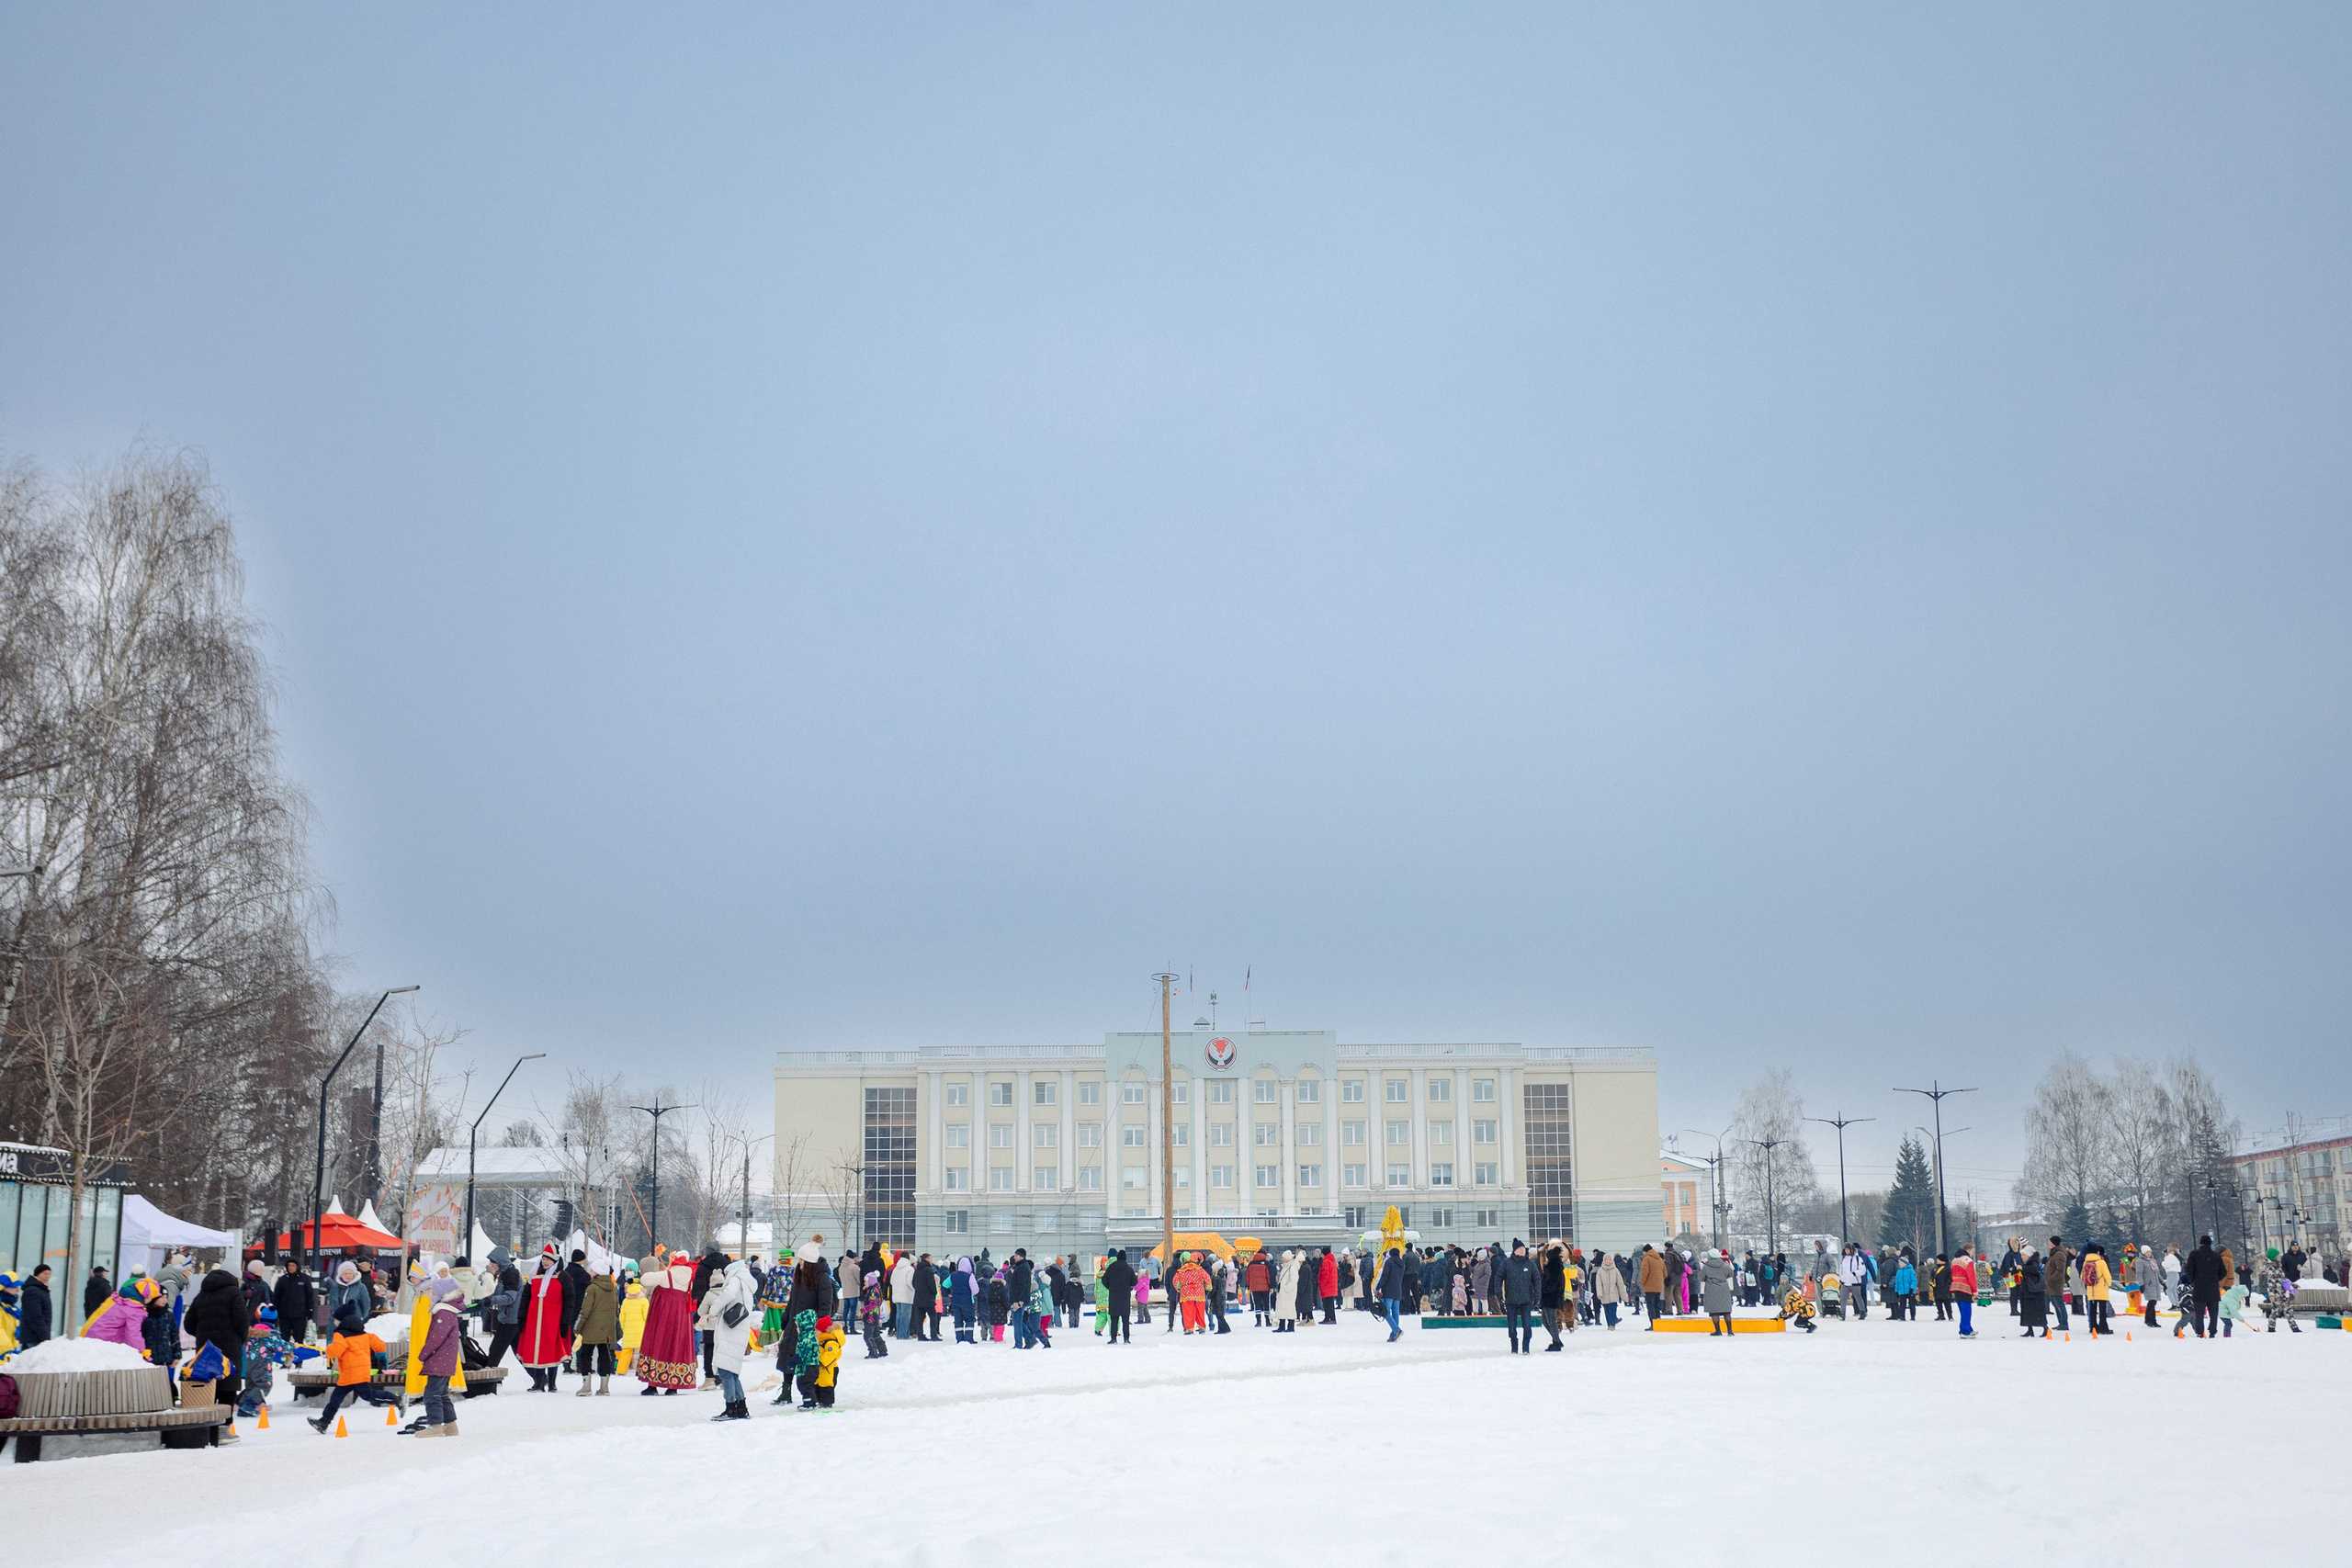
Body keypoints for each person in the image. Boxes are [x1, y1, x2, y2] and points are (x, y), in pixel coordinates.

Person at [184, 1269, 252, 1434]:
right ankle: (223, 1429)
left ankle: (207, 1429)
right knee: (227, 1387)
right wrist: (240, 1338)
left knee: (208, 1387)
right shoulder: (234, 1293)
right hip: (229, 1348)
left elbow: (188, 1324)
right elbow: (242, 1321)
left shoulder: (201, 1295)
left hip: (205, 1349)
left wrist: (202, 1336)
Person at [309, 1312, 400, 1432]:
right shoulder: (364, 1335)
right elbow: (380, 1344)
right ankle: (324, 1422)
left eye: (335, 1320)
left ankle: (395, 1399)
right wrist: (381, 1355)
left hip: (352, 1372)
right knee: (338, 1398)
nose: (334, 1322)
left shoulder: (340, 1335)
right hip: (358, 1371)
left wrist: (329, 1348)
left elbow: (336, 1350)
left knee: (361, 1396)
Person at [697, 1258, 756, 1420]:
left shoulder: (736, 1279)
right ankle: (741, 1408)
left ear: (731, 1271)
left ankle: (731, 1408)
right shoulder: (746, 1284)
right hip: (738, 1329)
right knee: (731, 1371)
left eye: (726, 1273)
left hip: (731, 1330)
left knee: (725, 1370)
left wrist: (713, 1311)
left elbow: (727, 1294)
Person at [636, 1258, 700, 1393]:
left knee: (658, 1342)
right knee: (677, 1344)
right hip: (681, 1314)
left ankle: (653, 1385)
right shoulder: (690, 1277)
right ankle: (673, 1385)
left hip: (663, 1314)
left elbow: (645, 1280)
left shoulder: (666, 1275)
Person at [411, 1288, 464, 1437]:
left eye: (433, 1293)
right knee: (441, 1393)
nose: (431, 1295)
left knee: (432, 1394)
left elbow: (435, 1339)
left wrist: (423, 1355)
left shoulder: (443, 1312)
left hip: (439, 1359)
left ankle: (435, 1426)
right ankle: (451, 1425)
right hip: (445, 1359)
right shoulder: (449, 1311)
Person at [517, 1253, 571, 1390]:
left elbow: (569, 1299)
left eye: (548, 1260)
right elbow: (526, 1296)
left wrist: (565, 1320)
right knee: (537, 1350)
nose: (545, 1262)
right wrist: (522, 1315)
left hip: (553, 1320)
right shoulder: (535, 1275)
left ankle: (552, 1383)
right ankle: (539, 1382)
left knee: (552, 1349)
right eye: (544, 1259)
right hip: (534, 1320)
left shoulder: (563, 1276)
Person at [571, 1265, 620, 1395]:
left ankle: (586, 1387)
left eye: (592, 1270)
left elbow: (585, 1310)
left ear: (598, 1272)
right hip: (607, 1328)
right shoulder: (613, 1288)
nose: (590, 1272)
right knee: (605, 1355)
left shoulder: (592, 1288)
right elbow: (616, 1309)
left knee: (586, 1354)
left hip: (590, 1327)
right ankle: (604, 1387)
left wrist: (577, 1327)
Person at [2182, 1235, 2224, 1339]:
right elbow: (2223, 1272)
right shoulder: (2216, 1256)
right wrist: (2215, 1279)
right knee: (2213, 1313)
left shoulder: (2194, 1254)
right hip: (2213, 1288)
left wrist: (2194, 1281)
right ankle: (2212, 1331)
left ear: (2201, 1243)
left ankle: (2200, 1332)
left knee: (2199, 1313)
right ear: (2210, 1244)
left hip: (2199, 1288)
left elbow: (2189, 1270)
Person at [272, 1258, 316, 1347]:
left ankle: (298, 1356)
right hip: (284, 1315)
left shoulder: (305, 1279)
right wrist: (275, 1310)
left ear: (297, 1267)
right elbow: (277, 1296)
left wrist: (310, 1310)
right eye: (289, 1265)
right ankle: (285, 1355)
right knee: (284, 1340)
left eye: (293, 1265)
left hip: (300, 1315)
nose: (291, 1268)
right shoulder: (282, 1280)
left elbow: (310, 1296)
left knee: (299, 1340)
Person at [1101, 1250, 1136, 1343]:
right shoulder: (1129, 1269)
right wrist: (1128, 1286)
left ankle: (1113, 1338)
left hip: (1114, 1296)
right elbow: (1134, 1282)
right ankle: (1126, 1339)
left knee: (1114, 1319)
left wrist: (1110, 1287)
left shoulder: (1111, 1268)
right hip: (1125, 1297)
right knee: (1125, 1320)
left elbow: (1104, 1280)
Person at [1173, 1252, 1212, 1335]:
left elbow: (1176, 1281)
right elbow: (1207, 1279)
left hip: (1186, 1293)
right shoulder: (1200, 1269)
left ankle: (1189, 1329)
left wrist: (1180, 1288)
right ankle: (1201, 1327)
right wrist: (1207, 1288)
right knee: (1200, 1311)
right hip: (1199, 1293)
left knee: (1188, 1311)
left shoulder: (1181, 1270)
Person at [1702, 1247, 1735, 1337]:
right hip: (1724, 1289)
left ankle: (1718, 1331)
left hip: (1711, 1289)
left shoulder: (1706, 1266)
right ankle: (1730, 1331)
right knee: (1726, 1311)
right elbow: (1731, 1273)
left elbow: (1701, 1277)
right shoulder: (1723, 1265)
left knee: (1714, 1311)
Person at [17, 1264, 52, 1348]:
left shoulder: (41, 1290)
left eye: (49, 1274)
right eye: (45, 1273)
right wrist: (44, 1336)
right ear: (37, 1274)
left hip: (37, 1337)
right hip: (33, 1338)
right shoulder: (32, 1291)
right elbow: (34, 1316)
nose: (48, 1276)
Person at [1376, 1247, 1408, 1341]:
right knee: (1395, 1313)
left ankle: (1396, 1330)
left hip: (1388, 1290)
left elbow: (1384, 1276)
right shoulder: (1402, 1264)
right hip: (1398, 1290)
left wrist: (1378, 1287)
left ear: (1390, 1254)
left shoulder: (1389, 1262)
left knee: (1385, 1312)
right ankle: (1393, 1335)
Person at [2017, 1246, 2048, 1337]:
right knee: (2027, 1310)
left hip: (2034, 1291)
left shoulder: (2034, 1262)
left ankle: (2045, 1328)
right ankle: (2030, 1329)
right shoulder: (2027, 1263)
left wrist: (2022, 1268)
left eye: (2023, 1255)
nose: (2022, 1257)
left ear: (2029, 1255)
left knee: (2037, 1311)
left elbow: (2034, 1270)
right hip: (2027, 1290)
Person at [1951, 1247, 1979, 1338]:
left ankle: (1969, 1329)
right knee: (1967, 1311)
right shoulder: (1968, 1261)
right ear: (1968, 1250)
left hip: (1956, 1286)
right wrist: (1974, 1290)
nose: (1972, 1253)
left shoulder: (1954, 1260)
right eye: (1972, 1251)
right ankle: (1964, 1331)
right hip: (1965, 1287)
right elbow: (1971, 1276)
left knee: (1962, 1310)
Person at [889, 1250, 917, 1339]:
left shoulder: (896, 1269)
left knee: (899, 1315)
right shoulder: (910, 1269)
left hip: (896, 1295)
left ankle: (899, 1333)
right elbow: (910, 1282)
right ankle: (904, 1335)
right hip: (906, 1295)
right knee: (906, 1316)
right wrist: (914, 1289)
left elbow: (892, 1282)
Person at [1637, 1245, 1667, 1326]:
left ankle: (1653, 1324)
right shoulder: (1660, 1259)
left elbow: (1644, 1273)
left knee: (1651, 1306)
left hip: (1649, 1287)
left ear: (1645, 1251)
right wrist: (1659, 1281)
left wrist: (1642, 1283)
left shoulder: (1646, 1259)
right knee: (1657, 1305)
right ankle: (1658, 1322)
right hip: (1658, 1286)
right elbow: (1665, 1273)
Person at [913, 1253, 939, 1341]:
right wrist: (934, 1293)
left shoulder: (917, 1270)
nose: (931, 1261)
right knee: (933, 1316)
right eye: (931, 1258)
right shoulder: (928, 1270)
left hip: (918, 1297)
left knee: (920, 1317)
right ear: (927, 1259)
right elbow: (931, 1284)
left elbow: (913, 1283)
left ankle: (920, 1334)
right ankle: (933, 1335)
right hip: (928, 1298)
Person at [1246, 1249, 1272, 1325]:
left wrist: (1249, 1286)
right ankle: (1267, 1321)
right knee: (1266, 1304)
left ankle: (1258, 1321)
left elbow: (1247, 1276)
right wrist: (1271, 1286)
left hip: (1254, 1287)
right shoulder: (1266, 1264)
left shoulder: (1251, 1264)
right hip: (1265, 1287)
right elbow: (1269, 1276)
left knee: (1257, 1304)